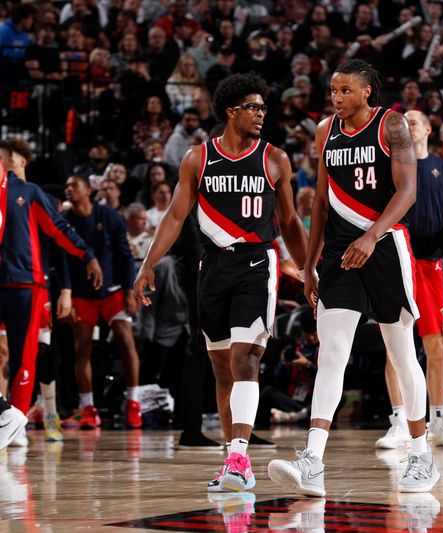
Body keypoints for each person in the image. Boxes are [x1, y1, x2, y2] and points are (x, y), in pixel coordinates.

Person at [267, 59, 439, 497]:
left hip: (385, 248)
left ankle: (421, 454)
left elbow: (408, 191)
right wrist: (308, 263)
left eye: (345, 91)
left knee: (402, 356)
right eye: (333, 91)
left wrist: (372, 236)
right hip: (340, 256)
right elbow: (321, 201)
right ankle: (313, 459)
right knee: (332, 354)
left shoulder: (393, 125)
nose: (337, 98)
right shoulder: (325, 131)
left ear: (366, 92)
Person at [133, 72, 308, 489]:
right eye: (254, 107)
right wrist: (147, 263)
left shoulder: (275, 159)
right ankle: (234, 461)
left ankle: (238, 459)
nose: (262, 114)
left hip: (256, 263)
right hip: (211, 268)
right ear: (232, 112)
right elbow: (175, 217)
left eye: (264, 108)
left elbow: (288, 222)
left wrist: (307, 270)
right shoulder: (198, 158)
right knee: (221, 368)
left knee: (246, 358)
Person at [376, 109, 443, 450]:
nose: (407, 125)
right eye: (403, 121)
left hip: (430, 263)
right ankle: (399, 419)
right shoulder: (390, 163)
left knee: (435, 346)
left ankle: (439, 420)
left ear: (428, 129)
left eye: (413, 121)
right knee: (395, 344)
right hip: (396, 257)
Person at [0, 152, 102, 451]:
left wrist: (87, 255)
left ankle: (18, 420)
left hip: (28, 284)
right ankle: (9, 413)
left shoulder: (29, 193)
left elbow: (58, 232)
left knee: (28, 356)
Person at [64, 175, 143, 430]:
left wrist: (131, 290)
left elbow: (124, 255)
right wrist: (66, 294)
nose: (69, 190)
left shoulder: (110, 216)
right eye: (66, 187)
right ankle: (88, 408)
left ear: (88, 190)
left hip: (113, 290)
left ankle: (133, 403)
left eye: (73, 185)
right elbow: (63, 261)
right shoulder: (65, 222)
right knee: (82, 346)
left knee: (125, 338)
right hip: (81, 293)